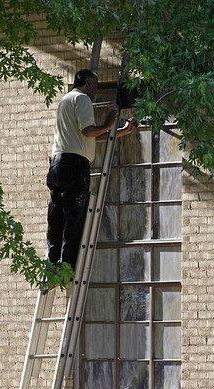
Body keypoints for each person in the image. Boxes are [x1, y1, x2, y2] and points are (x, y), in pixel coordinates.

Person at [46, 68, 136, 283]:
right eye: (95, 85)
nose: (96, 90)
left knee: (56, 219)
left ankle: (52, 267)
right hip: (74, 165)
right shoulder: (83, 99)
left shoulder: (66, 100)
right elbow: (89, 131)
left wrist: (120, 131)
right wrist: (107, 123)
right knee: (74, 218)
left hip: (57, 164)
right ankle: (67, 269)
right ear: (86, 83)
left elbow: (86, 135)